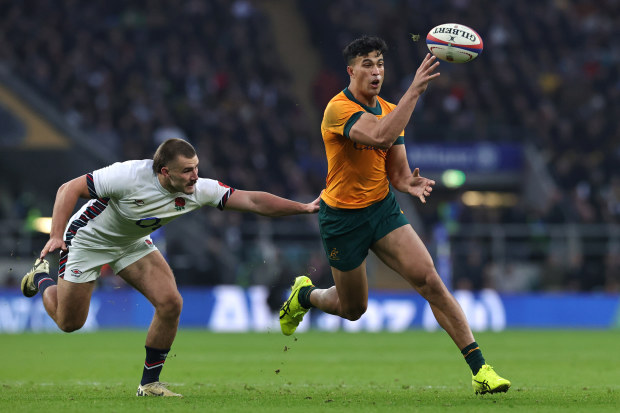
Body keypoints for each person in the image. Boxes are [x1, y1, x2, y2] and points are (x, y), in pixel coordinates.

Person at [279, 36, 511, 394]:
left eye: (381, 64)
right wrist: (414, 91)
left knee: (430, 281)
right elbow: (380, 136)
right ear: (351, 70)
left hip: (383, 210)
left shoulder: (391, 109)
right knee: (353, 308)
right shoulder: (337, 109)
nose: (376, 71)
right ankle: (305, 295)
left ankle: (481, 370)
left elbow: (397, 171)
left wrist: (409, 184)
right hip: (342, 219)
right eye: (368, 64)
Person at [21, 138, 320, 397]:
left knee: (170, 303)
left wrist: (302, 207)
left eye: (196, 168)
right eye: (187, 171)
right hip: (88, 240)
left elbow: (253, 201)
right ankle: (42, 278)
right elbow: (68, 188)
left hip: (132, 242)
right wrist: (57, 235)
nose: (195, 177)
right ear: (165, 172)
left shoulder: (198, 189)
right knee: (69, 322)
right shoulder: (128, 175)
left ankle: (149, 384)